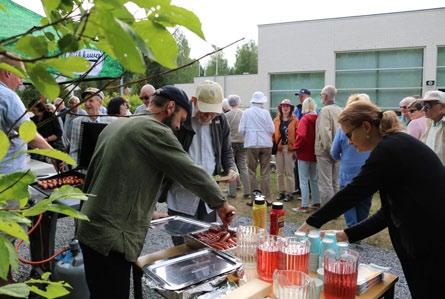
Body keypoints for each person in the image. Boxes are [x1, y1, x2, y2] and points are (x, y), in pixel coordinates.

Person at [76, 85, 236, 298]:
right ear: (170, 107)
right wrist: (221, 203)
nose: (179, 126)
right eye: (181, 118)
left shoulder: (118, 125)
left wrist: (148, 212)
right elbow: (188, 170)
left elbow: (105, 177)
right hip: (111, 238)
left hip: (90, 230)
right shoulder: (154, 130)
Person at [298, 99, 445, 298]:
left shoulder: (389, 149)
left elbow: (354, 191)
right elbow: (388, 212)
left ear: (366, 127)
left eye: (349, 134)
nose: (349, 141)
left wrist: (312, 222)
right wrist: (346, 235)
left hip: (432, 241)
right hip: (426, 239)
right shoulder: (393, 146)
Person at [166, 80, 237, 233]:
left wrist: (231, 168)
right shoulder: (181, 118)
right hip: (181, 193)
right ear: (194, 101)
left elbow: (227, 151)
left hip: (209, 195)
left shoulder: (220, 119)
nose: (209, 116)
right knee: (182, 244)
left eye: (213, 111)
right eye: (205, 110)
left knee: (205, 241)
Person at [0, 53, 55, 174]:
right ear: (8, 72)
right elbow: (29, 134)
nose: (21, 83)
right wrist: (54, 155)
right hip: (7, 175)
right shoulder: (8, 96)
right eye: (19, 76)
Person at [330, 94, 372, 227]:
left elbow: (334, 152)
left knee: (347, 202)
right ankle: (360, 229)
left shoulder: (343, 129)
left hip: (348, 172)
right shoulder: (373, 128)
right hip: (369, 171)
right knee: (364, 202)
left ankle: (353, 228)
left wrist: (342, 158)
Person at [239, 91, 275, 205]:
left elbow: (241, 130)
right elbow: (272, 129)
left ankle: (255, 199)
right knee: (265, 172)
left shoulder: (246, 113)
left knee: (252, 172)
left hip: (252, 144)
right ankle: (267, 198)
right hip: (266, 144)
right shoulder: (266, 113)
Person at [69, 87, 115, 164]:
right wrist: (76, 168)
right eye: (85, 101)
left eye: (90, 100)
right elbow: (74, 150)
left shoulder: (111, 122)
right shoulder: (77, 122)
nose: (87, 104)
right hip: (84, 170)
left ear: (100, 103)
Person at [315, 85, 342, 206]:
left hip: (326, 152)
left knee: (325, 182)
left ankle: (327, 210)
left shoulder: (325, 111)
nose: (321, 97)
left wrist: (331, 150)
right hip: (338, 151)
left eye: (321, 95)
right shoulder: (340, 110)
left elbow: (325, 133)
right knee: (335, 182)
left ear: (325, 96)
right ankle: (336, 208)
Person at [293, 98, 321, 212]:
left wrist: (296, 147)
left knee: (303, 179)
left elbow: (301, 135)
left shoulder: (304, 119)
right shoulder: (318, 118)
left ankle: (304, 205)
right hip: (315, 152)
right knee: (314, 179)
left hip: (304, 153)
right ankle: (316, 201)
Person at [225, 94, 250, 199]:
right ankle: (247, 190)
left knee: (232, 167)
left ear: (229, 103)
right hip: (242, 142)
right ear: (238, 103)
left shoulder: (226, 116)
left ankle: (232, 192)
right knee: (243, 166)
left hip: (231, 143)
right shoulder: (244, 114)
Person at [273, 99, 298, 202]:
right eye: (283, 106)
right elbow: (273, 134)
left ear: (291, 108)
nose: (285, 108)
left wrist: (295, 149)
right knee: (279, 172)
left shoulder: (295, 120)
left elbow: (298, 135)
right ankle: (282, 192)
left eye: (287, 106)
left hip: (289, 148)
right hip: (279, 148)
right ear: (280, 107)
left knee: (289, 172)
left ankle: (290, 192)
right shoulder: (276, 120)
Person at [420, 90, 445, 164]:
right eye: (423, 105)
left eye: (428, 105)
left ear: (443, 107)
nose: (423, 109)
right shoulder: (429, 122)